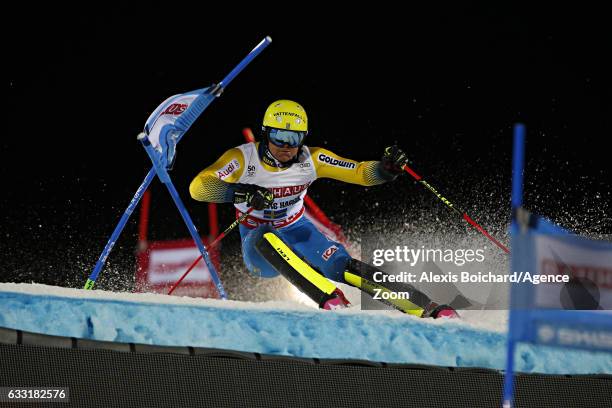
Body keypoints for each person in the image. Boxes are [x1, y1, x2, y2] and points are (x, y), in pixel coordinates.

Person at [190, 100, 457, 318]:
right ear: (266, 133)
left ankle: (426, 307)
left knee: (339, 265)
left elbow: (361, 173)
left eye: (294, 138)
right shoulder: (242, 158)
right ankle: (329, 299)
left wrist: (385, 170)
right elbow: (198, 187)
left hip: (297, 229)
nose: (286, 146)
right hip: (258, 244)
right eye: (279, 136)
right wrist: (240, 191)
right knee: (265, 235)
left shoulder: (312, 158)